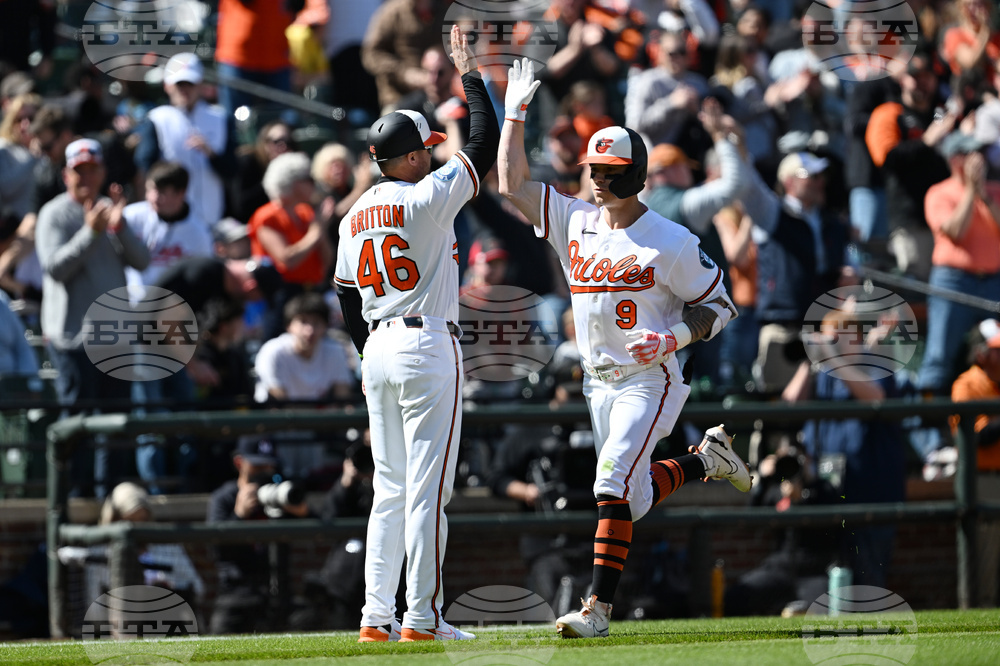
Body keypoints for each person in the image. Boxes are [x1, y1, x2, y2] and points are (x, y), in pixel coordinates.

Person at [498, 58, 752, 639]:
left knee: (610, 483)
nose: (597, 178)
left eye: (609, 169)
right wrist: (514, 115)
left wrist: (676, 335)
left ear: (635, 174)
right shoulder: (574, 219)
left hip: (651, 378)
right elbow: (511, 183)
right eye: (594, 167)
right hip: (597, 381)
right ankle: (705, 461)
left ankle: (597, 612)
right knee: (630, 502)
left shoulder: (672, 239)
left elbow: (723, 306)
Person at [333, 25, 498, 643]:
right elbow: (481, 143)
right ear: (405, 157)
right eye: (423, 147)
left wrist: (370, 349)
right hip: (426, 343)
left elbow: (346, 296)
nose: (430, 153)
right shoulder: (426, 197)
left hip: (377, 345)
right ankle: (422, 618)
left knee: (390, 491)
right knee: (428, 491)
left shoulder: (352, 217)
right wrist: (472, 75)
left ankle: (376, 615)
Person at [35, 139, 151, 497]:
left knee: (116, 425)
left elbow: (142, 260)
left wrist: (120, 227)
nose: (86, 177)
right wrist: (92, 232)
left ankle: (111, 498)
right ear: (66, 174)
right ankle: (73, 500)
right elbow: (55, 268)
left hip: (114, 336)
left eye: (93, 169)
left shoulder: (109, 211)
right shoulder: (55, 214)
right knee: (79, 424)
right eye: (79, 171)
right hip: (72, 337)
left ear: (102, 172)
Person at [207, 438, 310, 634]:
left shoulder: (280, 493)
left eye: (269, 465)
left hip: (279, 593)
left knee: (308, 620)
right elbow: (216, 550)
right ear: (239, 463)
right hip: (237, 594)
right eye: (257, 465)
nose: (264, 471)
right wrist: (239, 515)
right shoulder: (224, 497)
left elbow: (321, 527)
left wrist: (302, 511)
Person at [134, 52, 233, 227]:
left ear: (200, 84)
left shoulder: (219, 118)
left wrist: (211, 154)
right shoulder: (158, 119)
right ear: (167, 86)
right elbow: (145, 168)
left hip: (212, 216)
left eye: (190, 83)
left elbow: (233, 170)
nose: (185, 89)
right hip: (170, 219)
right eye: (180, 84)